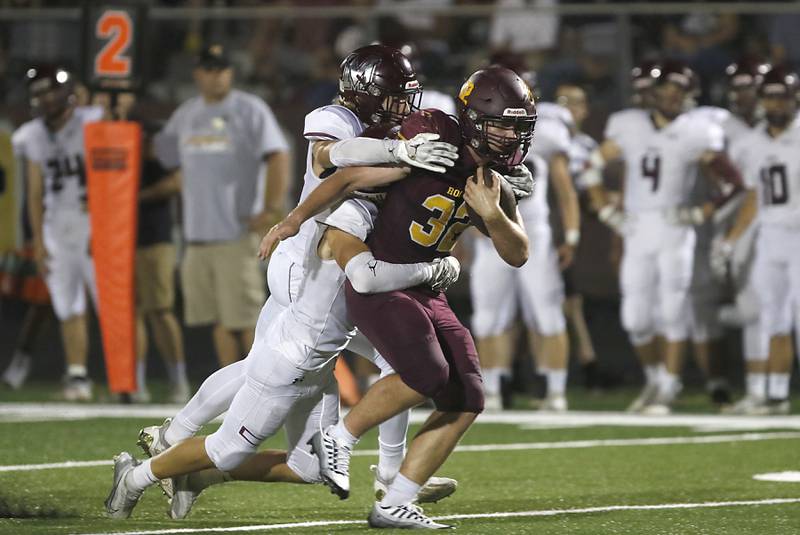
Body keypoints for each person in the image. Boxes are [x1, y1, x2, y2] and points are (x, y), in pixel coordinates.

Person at [126, 45, 462, 515]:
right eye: (392, 96)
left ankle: (177, 437)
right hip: (307, 262)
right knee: (285, 364)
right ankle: (388, 475)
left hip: (333, 261)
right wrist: (398, 150)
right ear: (364, 93)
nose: (401, 106)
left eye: (406, 96)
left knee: (353, 362)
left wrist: (499, 173)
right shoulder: (336, 118)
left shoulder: (391, 128)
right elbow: (331, 157)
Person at [263, 65, 534, 528]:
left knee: (467, 395)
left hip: (428, 287)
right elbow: (345, 176)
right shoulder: (431, 138)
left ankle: (395, 500)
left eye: (519, 127)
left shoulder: (494, 177)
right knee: (424, 373)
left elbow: (518, 253)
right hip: (385, 276)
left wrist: (494, 216)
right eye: (502, 125)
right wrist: (293, 220)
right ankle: (338, 436)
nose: (511, 137)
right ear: (473, 119)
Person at [581, 60, 744, 414]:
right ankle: (654, 379)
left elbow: (732, 182)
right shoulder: (629, 125)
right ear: (652, 94)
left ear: (689, 96)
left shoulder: (697, 129)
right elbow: (591, 166)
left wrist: (699, 213)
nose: (671, 99)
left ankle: (669, 387)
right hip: (637, 227)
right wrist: (608, 213)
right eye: (665, 92)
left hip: (675, 229)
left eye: (678, 92)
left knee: (672, 310)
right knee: (635, 316)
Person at [157, 44, 291, 368]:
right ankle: (232, 394)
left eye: (222, 69)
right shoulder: (186, 113)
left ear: (230, 73)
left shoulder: (249, 109)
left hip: (235, 232)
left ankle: (261, 388)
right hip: (197, 235)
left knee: (245, 321)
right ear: (198, 73)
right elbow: (163, 155)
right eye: (210, 69)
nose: (216, 76)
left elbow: (279, 155)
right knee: (218, 319)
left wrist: (272, 207)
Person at [12, 65, 103, 400]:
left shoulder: (93, 119)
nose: (46, 99)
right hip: (56, 225)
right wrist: (37, 239)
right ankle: (78, 376)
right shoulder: (31, 135)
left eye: (50, 91)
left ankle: (128, 377)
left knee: (112, 303)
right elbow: (34, 192)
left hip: (94, 220)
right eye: (40, 94)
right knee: (68, 305)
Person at [716, 65, 800, 416]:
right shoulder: (751, 144)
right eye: (769, 96)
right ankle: (776, 395)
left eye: (781, 95)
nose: (775, 102)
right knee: (772, 319)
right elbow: (753, 195)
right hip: (770, 235)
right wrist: (732, 239)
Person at [133, 120, 190, 404]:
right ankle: (135, 383)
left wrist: (134, 196)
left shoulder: (160, 136)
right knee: (132, 313)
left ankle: (178, 380)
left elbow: (177, 183)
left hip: (157, 237)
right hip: (124, 239)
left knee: (161, 310)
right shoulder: (114, 133)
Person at [554, 82, 603, 389]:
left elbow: (589, 193)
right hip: (537, 225)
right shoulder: (538, 137)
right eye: (563, 102)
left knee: (568, 301)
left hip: (564, 230)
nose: (569, 109)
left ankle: (586, 364)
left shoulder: (585, 146)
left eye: (575, 103)